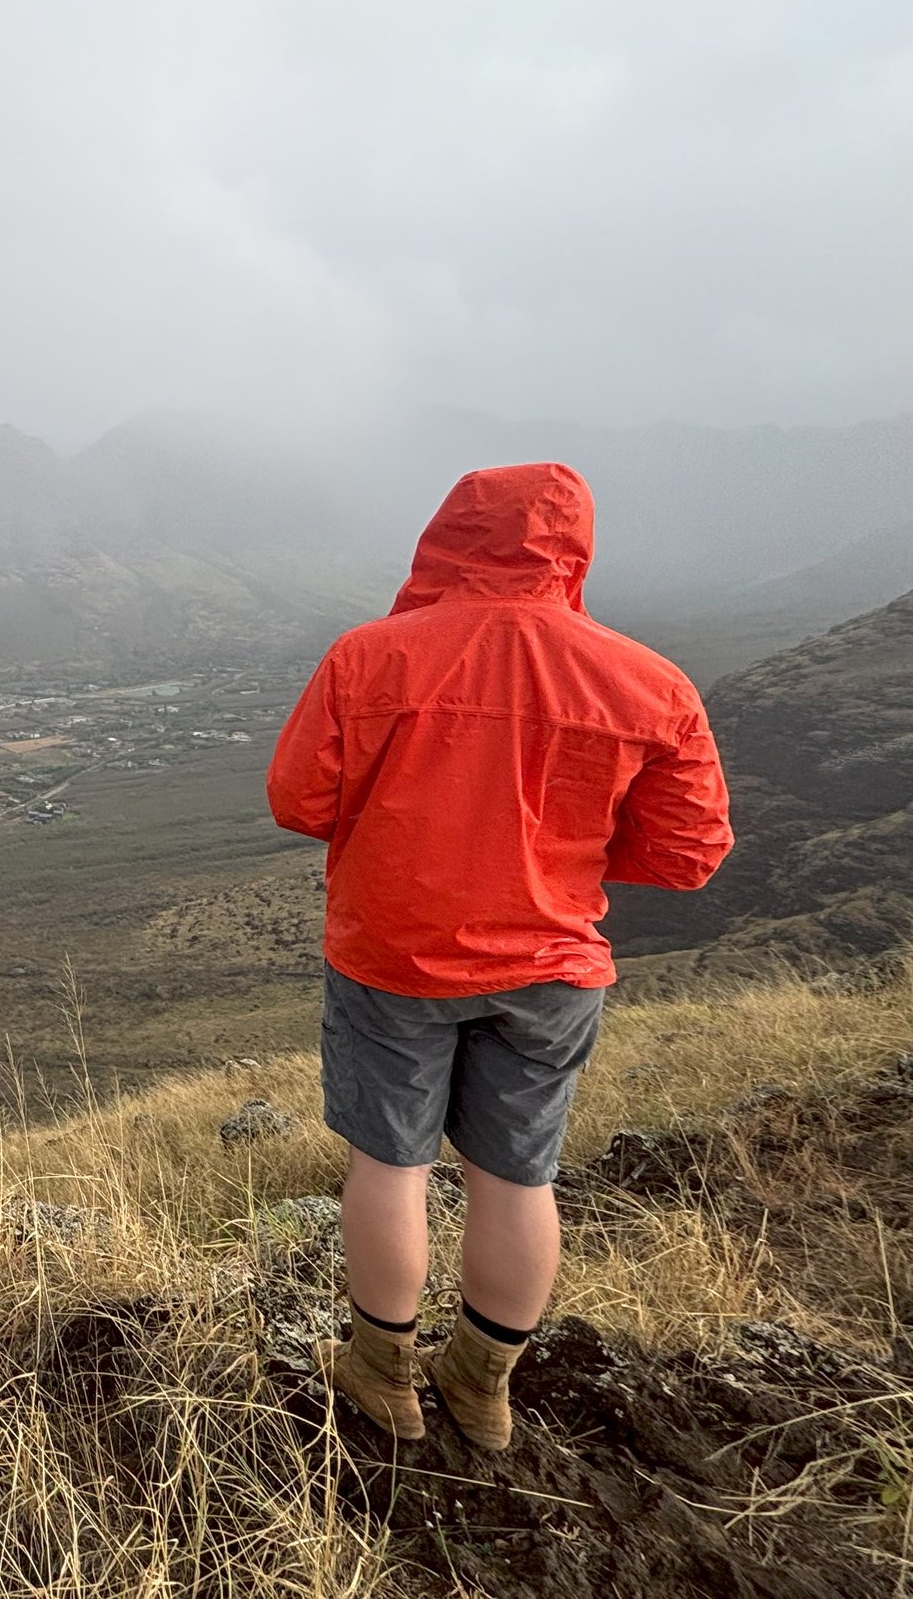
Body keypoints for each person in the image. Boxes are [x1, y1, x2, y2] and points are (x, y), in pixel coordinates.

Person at [266, 463, 732, 1449]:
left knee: (389, 1166)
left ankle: (379, 1375)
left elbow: (298, 800)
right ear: (575, 546)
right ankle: (480, 1388)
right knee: (517, 1179)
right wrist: (563, 857)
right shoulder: (648, 681)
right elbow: (690, 852)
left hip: (393, 957)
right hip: (550, 966)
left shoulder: (369, 657)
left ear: (448, 535)